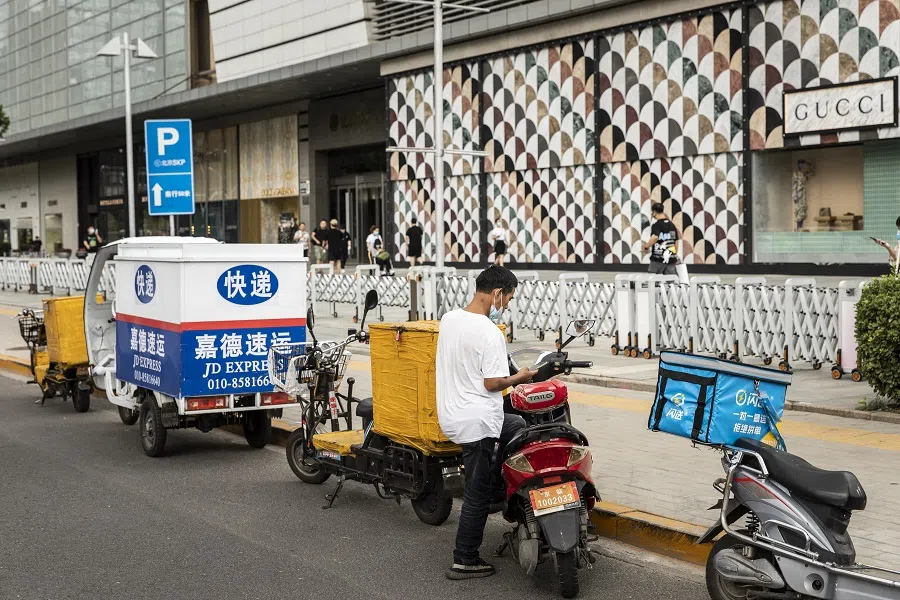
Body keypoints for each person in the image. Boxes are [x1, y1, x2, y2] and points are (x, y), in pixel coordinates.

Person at [437, 265, 536, 580]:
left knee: (517, 426)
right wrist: (519, 377)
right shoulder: (490, 332)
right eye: (507, 298)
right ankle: (464, 559)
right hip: (476, 422)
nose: (506, 305)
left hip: (451, 414)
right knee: (475, 495)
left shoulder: (450, 319)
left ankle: (497, 487)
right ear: (496, 294)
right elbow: (493, 383)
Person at [642, 202, 679, 275]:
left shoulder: (656, 225)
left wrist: (646, 247)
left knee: (652, 281)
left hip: (657, 259)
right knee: (671, 282)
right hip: (670, 258)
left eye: (652, 212)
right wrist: (674, 255)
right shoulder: (671, 225)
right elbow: (676, 241)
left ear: (654, 212)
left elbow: (655, 237)